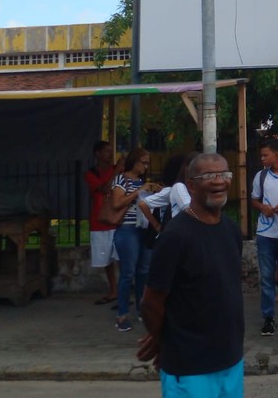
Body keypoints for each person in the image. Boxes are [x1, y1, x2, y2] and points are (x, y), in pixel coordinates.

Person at [137, 153, 244, 398]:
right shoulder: (175, 237)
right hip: (190, 367)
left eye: (224, 174)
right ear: (191, 186)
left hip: (230, 360)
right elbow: (151, 303)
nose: (219, 181)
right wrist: (165, 342)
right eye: (208, 176)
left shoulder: (231, 229)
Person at [251, 138, 278, 338]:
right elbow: (254, 200)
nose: (262, 158)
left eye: (265, 154)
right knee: (267, 278)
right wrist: (263, 208)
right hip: (265, 234)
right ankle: (268, 318)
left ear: (277, 155)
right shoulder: (260, 177)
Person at [111, 147, 157, 332]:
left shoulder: (142, 181)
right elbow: (116, 203)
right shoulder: (122, 179)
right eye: (143, 162)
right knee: (128, 272)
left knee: (143, 272)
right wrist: (139, 191)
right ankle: (122, 314)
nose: (145, 166)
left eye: (147, 163)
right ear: (134, 161)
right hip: (127, 229)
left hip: (143, 229)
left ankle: (141, 308)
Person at [84, 140, 118, 305]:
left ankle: (120, 290)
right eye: (106, 151)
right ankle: (113, 290)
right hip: (100, 221)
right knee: (107, 260)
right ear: (97, 153)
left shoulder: (117, 171)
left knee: (122, 257)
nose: (109, 155)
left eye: (110, 151)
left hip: (117, 219)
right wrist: (116, 171)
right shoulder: (91, 173)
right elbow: (104, 189)